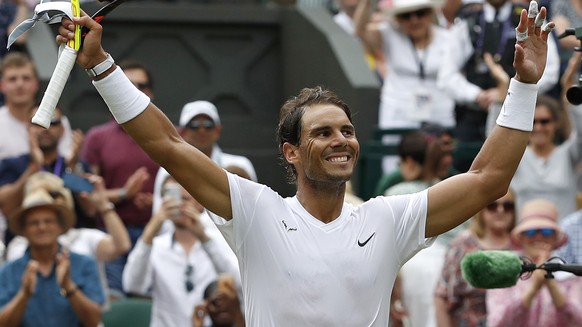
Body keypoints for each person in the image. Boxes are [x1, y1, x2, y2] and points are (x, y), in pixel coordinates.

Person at [56, 3, 552, 324]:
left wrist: (525, 86)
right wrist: (101, 65)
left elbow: (488, 179)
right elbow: (167, 144)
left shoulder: (388, 218)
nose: (342, 141)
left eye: (348, 131)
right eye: (322, 132)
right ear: (290, 153)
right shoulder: (254, 210)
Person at [437, 0, 560, 171]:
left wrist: (508, 92)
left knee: (516, 171)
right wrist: (476, 95)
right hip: (472, 116)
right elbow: (446, 75)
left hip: (518, 111)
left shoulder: (528, 16)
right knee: (464, 171)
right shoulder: (468, 18)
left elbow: (549, 70)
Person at [80, 60, 160, 297]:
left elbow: (186, 189)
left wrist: (156, 201)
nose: (134, 90)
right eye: (128, 84)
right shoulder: (97, 137)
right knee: (114, 306)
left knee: (153, 305)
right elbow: (87, 200)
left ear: (151, 93)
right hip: (113, 236)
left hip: (157, 236)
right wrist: (124, 193)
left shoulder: (169, 134)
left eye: (141, 85)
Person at [123, 177, 239, 327]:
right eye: (172, 199)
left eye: (186, 199)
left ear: (199, 203)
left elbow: (238, 283)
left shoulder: (217, 240)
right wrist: (150, 232)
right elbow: (132, 285)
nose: (179, 205)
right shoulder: (156, 246)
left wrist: (204, 239)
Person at [355, 0, 456, 172]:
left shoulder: (447, 38)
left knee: (439, 165)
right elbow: (360, 30)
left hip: (439, 112)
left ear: (430, 13)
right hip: (398, 112)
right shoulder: (390, 34)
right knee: (394, 163)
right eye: (406, 15)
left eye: (420, 13)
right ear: (398, 18)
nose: (414, 20)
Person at [5, 171, 131, 308]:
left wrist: (104, 206)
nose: (42, 227)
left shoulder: (85, 237)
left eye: (54, 195)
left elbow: (121, 246)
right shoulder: (19, 245)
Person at [0, 188, 104, 327]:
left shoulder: (84, 263)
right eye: (34, 223)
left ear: (60, 227)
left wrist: (68, 286)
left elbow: (94, 321)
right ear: (24, 230)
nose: (42, 227)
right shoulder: (8, 271)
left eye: (48, 221)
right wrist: (23, 295)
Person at [486, 199, 582, 327]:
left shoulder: (570, 274)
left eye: (546, 232)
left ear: (555, 237)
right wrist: (534, 287)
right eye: (530, 231)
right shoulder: (504, 272)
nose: (538, 237)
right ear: (521, 237)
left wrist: (550, 282)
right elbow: (498, 323)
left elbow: (577, 321)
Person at [151, 100, 257, 213]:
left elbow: (253, 211)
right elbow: (160, 218)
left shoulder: (241, 165)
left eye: (208, 125)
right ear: (182, 131)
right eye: (194, 125)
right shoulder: (167, 170)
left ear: (218, 130)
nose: (202, 131)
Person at [0, 107, 95, 227]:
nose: (45, 127)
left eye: (53, 122)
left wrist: (72, 169)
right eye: (38, 122)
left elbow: (90, 209)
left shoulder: (75, 165)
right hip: (25, 240)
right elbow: (6, 208)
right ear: (28, 129)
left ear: (63, 130)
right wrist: (35, 167)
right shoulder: (11, 164)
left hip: (72, 239)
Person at [434, 190, 516, 326]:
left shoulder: (520, 245)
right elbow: (442, 297)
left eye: (507, 206)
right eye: (492, 205)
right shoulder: (463, 245)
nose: (500, 210)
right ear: (481, 209)